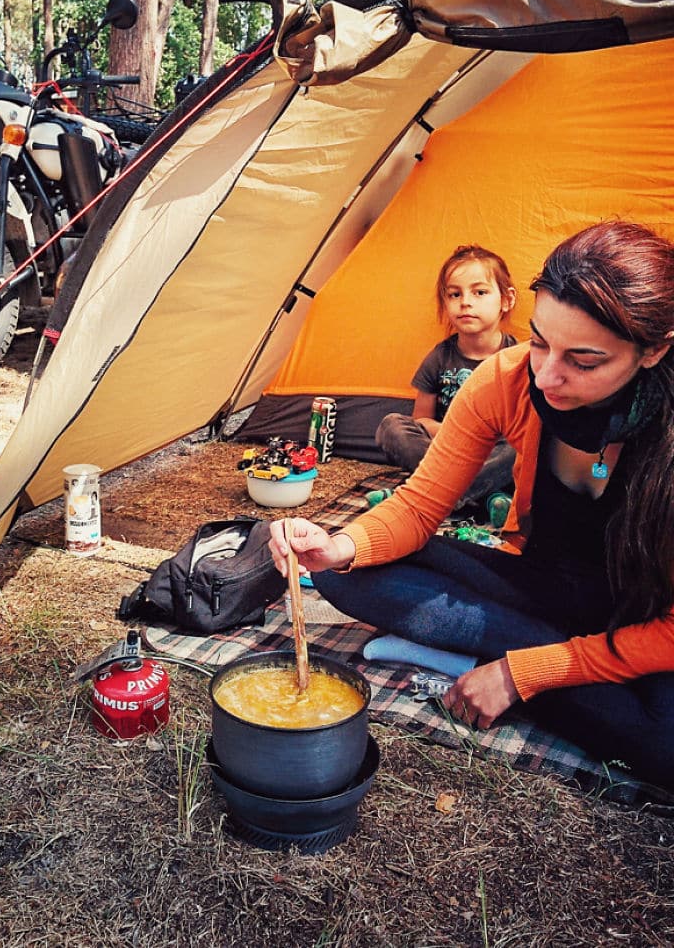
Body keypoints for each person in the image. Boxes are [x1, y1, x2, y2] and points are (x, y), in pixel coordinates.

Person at [269, 221, 674, 788]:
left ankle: (496, 659)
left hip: (647, 619)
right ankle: (552, 669)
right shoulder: (505, 379)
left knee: (665, 745)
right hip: (543, 588)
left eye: (583, 361)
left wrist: (523, 672)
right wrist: (339, 545)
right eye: (539, 342)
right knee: (343, 571)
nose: (546, 376)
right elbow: (418, 507)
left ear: (654, 350)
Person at [375, 244, 517, 512]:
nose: (465, 302)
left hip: (491, 452)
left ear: (506, 300)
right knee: (391, 426)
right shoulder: (439, 357)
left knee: (521, 446)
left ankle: (434, 495)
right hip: (445, 450)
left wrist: (484, 439)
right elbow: (421, 419)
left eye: (480, 292)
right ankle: (477, 497)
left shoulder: (516, 359)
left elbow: (520, 425)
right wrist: (451, 432)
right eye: (455, 294)